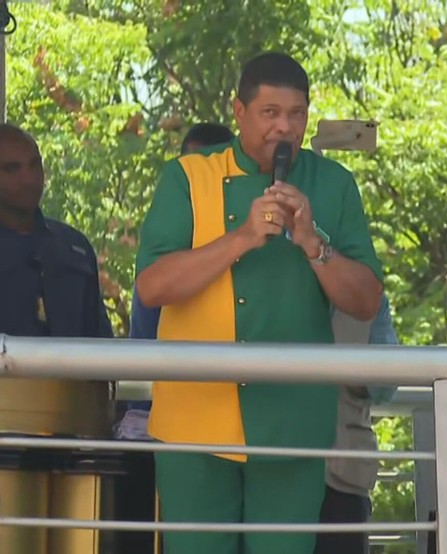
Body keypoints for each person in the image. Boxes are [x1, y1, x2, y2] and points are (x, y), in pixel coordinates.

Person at [135, 52, 383, 554]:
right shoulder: (186, 177)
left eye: (296, 114)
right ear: (238, 112)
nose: (284, 128)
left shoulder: (334, 183)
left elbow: (366, 302)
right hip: (194, 423)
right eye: (270, 113)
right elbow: (152, 287)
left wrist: (314, 243)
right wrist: (242, 238)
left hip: (293, 424)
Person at [0, 124, 113, 339]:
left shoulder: (74, 247)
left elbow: (100, 345)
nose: (28, 179)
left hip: (71, 372)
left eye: (35, 165)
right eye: (12, 169)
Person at [130, 123, 235, 342]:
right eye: (190, 170)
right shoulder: (164, 262)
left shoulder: (260, 236)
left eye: (207, 171)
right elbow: (143, 343)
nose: (198, 179)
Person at [316, 294, 399, 554]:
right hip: (267, 471)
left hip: (341, 476)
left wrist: (343, 371)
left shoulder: (367, 291)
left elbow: (387, 383)